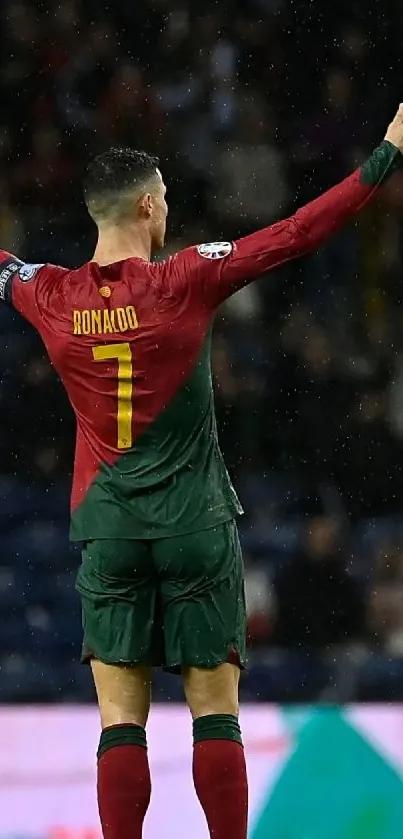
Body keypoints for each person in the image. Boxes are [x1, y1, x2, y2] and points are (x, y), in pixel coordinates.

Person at [1, 107, 403, 839]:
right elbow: (296, 233)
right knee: (214, 711)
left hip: (111, 528)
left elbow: (2, 266)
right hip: (194, 524)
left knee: (121, 721)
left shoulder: (47, 295)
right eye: (166, 198)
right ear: (149, 204)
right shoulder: (186, 278)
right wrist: (383, 157)